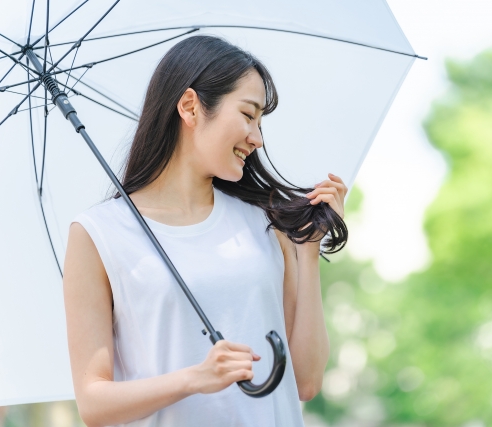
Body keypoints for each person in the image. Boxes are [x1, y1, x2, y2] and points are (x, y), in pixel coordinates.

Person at [63, 35, 348, 427]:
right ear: (190, 106)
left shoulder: (265, 223)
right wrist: (194, 378)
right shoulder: (99, 233)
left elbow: (306, 381)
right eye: (248, 115)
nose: (258, 138)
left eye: (261, 122)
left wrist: (309, 252)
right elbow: (93, 404)